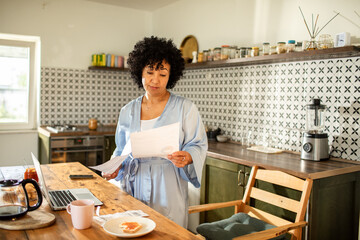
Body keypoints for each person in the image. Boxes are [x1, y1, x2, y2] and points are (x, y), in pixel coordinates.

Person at [103, 36, 208, 228]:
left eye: (162, 74)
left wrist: (188, 156)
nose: (155, 80)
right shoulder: (127, 111)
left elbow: (198, 144)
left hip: (168, 185)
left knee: (168, 231)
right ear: (140, 71)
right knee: (134, 229)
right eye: (150, 72)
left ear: (171, 75)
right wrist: (114, 167)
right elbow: (120, 150)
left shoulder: (185, 108)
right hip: (133, 185)